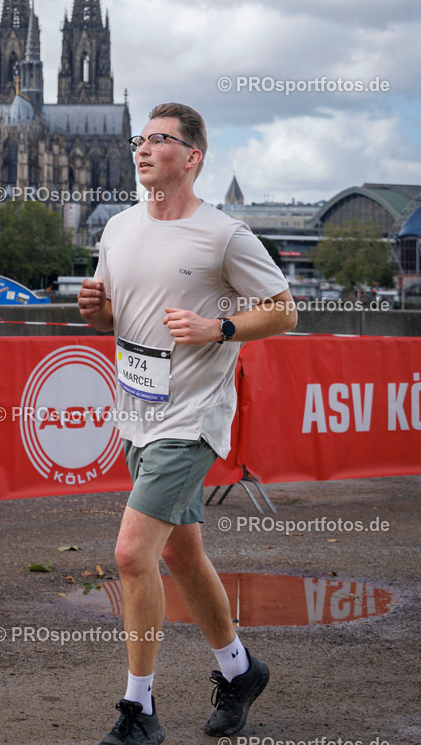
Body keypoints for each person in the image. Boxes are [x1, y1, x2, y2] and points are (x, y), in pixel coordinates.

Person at [77, 102, 297, 743]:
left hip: (193, 417)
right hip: (136, 414)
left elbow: (282, 310)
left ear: (192, 156)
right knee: (182, 550)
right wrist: (94, 308)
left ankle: (138, 709)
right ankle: (239, 670)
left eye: (159, 141)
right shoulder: (117, 228)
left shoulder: (224, 235)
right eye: (139, 140)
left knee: (130, 552)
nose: (143, 149)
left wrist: (218, 328)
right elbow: (108, 319)